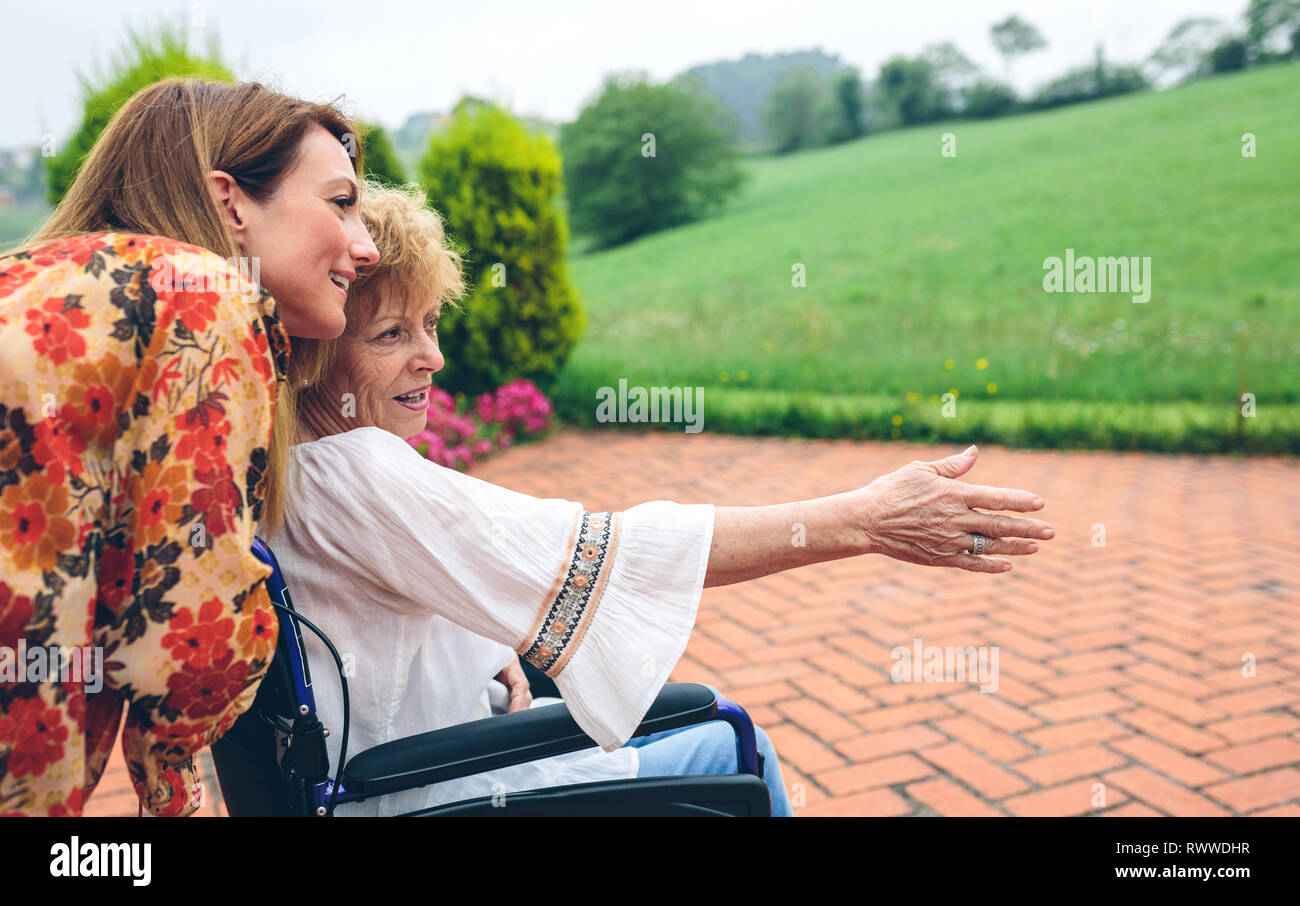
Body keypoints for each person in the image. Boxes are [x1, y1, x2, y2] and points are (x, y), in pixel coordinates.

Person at [268, 183, 1055, 816]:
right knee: (730, 737)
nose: (432, 357)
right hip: (442, 794)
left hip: (388, 779)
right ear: (314, 354)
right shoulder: (356, 470)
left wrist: (486, 646)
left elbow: (393, 602)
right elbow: (608, 553)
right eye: (391, 336)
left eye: (432, 324)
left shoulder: (280, 467)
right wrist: (864, 517)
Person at [0, 78, 380, 816]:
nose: (365, 246)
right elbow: (187, 650)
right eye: (341, 202)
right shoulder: (203, 295)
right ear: (229, 202)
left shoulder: (44, 280)